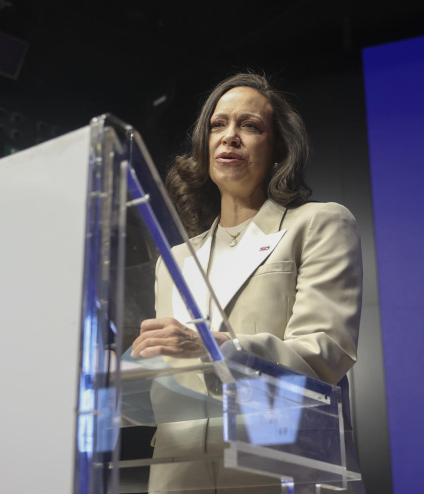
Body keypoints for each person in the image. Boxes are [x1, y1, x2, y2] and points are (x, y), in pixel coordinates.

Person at [130, 73, 364, 493]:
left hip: (277, 471)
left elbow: (324, 354)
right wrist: (127, 366)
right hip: (178, 475)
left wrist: (220, 349)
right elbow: (165, 380)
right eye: (218, 126)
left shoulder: (318, 224)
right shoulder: (176, 260)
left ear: (278, 150)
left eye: (250, 126)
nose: (229, 137)